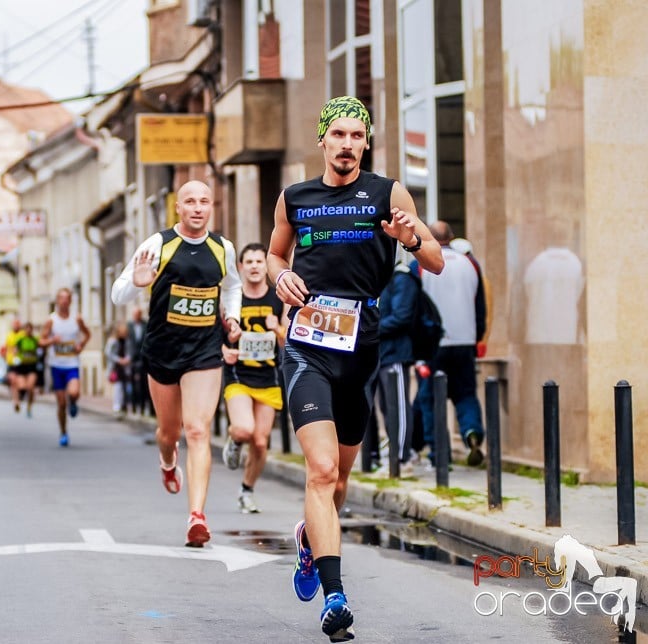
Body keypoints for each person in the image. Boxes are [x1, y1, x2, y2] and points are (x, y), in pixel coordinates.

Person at [267, 96, 443, 640]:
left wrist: (409, 237)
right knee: (319, 471)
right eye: (338, 134)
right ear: (322, 139)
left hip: (361, 348)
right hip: (306, 346)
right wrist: (279, 276)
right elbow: (277, 253)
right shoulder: (294, 198)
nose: (347, 144)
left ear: (366, 143)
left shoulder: (386, 192)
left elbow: (434, 258)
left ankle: (309, 540)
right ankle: (335, 597)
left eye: (357, 136)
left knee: (339, 479)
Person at [111, 179, 242, 548]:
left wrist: (231, 318)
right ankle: (168, 462)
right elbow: (116, 291)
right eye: (190, 202)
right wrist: (137, 283)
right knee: (169, 433)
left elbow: (232, 287)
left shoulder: (223, 248)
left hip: (204, 350)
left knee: (198, 430)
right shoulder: (159, 244)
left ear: (211, 207)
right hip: (164, 351)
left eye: (204, 201)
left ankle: (196, 516)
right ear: (178, 208)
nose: (198, 208)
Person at [220, 242, 288, 514]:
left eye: (260, 262)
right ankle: (235, 441)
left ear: (266, 267)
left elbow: (287, 341)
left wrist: (278, 329)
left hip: (268, 377)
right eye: (249, 262)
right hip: (239, 375)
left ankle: (246, 490)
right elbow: (216, 338)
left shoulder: (277, 299)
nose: (255, 267)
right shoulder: (232, 300)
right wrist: (225, 349)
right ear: (241, 267)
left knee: (260, 442)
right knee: (244, 429)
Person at [414, 221, 487, 467]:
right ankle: (472, 433)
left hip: (433, 344)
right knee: (466, 393)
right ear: (452, 237)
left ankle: (439, 454)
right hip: (464, 340)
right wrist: (477, 336)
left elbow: (416, 307)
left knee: (430, 399)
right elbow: (480, 305)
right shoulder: (471, 264)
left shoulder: (420, 265)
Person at [375, 255, 421, 476]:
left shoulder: (401, 277)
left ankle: (402, 458)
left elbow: (401, 317)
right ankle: (395, 453)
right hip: (381, 353)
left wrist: (369, 328)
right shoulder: (380, 276)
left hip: (396, 353)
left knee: (399, 407)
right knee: (386, 406)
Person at [40, 289, 91, 447]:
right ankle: (63, 432)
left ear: (70, 301)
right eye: (61, 298)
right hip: (56, 365)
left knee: (74, 392)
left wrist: (80, 345)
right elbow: (41, 341)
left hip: (72, 364)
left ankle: (74, 402)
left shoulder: (77, 319)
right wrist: (52, 341)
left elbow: (87, 334)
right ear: (57, 301)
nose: (63, 301)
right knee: (61, 404)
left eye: (66, 298)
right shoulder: (51, 321)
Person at [11, 322, 40, 418]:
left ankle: (29, 406)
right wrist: (16, 357)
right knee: (21, 387)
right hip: (22, 366)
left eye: (30, 329)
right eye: (26, 329)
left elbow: (40, 349)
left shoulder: (35, 340)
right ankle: (16, 402)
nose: (28, 331)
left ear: (32, 330)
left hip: (32, 366)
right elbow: (15, 350)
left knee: (30, 387)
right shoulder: (20, 340)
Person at [126, 307, 151, 417]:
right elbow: (128, 342)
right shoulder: (129, 326)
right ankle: (135, 407)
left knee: (143, 385)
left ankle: (142, 407)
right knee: (133, 384)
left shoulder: (145, 325)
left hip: (143, 358)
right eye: (135, 314)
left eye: (138, 314)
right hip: (132, 358)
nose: (137, 316)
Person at [104, 321, 132, 419]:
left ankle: (123, 407)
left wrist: (128, 359)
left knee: (125, 388)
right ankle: (117, 408)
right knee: (118, 387)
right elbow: (108, 353)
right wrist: (119, 360)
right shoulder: (113, 341)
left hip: (125, 368)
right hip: (116, 368)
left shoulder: (127, 341)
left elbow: (129, 351)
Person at [2, 319, 24, 406]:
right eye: (14, 324)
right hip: (11, 362)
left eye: (17, 324)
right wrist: (4, 355)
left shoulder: (22, 335)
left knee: (20, 383)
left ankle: (19, 396)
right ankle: (16, 400)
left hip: (21, 362)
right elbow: (6, 347)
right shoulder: (9, 335)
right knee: (12, 381)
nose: (15, 326)